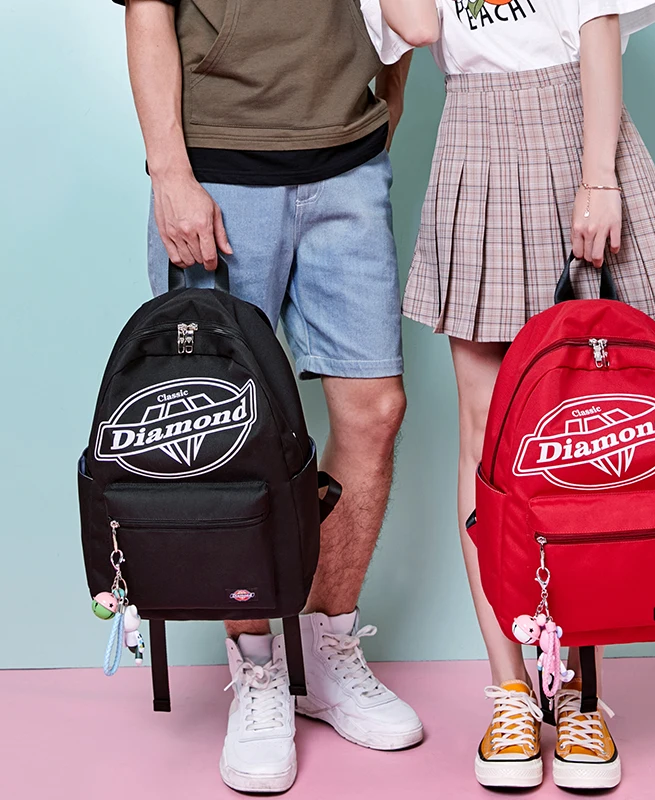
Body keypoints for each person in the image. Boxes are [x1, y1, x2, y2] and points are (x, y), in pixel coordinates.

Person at [363, 0, 655, 791]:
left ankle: (580, 695)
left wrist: (599, 177)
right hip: (474, 138)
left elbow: (598, 25)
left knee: (580, 437)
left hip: (570, 129)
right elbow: (418, 28)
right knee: (484, 440)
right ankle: (511, 692)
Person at [113, 0, 423, 793]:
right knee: (224, 434)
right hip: (220, 170)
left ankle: (328, 651)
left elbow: (405, 20)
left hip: (348, 164)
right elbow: (147, 12)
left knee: (375, 411)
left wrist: (380, 116)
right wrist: (170, 173)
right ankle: (256, 668)